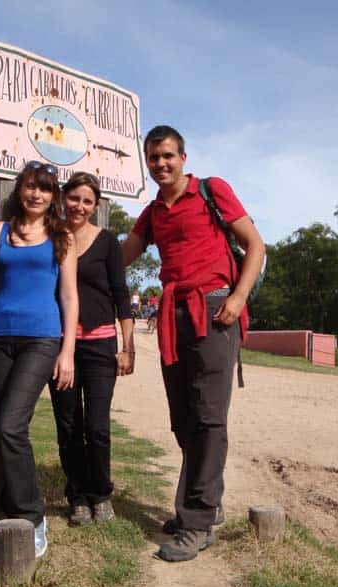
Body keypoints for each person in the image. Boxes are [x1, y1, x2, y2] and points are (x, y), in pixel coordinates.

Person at [122, 125, 265, 562]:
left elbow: (254, 245)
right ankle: (207, 501)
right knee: (184, 419)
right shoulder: (152, 213)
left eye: (167, 156)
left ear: (183, 157)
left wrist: (239, 298)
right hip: (173, 315)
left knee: (208, 417)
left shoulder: (210, 190)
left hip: (215, 308)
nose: (160, 164)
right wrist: (65, 253)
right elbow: (118, 255)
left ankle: (198, 521)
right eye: (153, 158)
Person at [0, 161, 78, 559]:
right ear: (19, 191)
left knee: (11, 425)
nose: (35, 195)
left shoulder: (63, 237)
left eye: (43, 189)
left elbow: (70, 297)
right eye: (29, 187)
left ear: (52, 195)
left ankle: (33, 517)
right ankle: (10, 511)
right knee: (4, 426)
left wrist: (68, 351)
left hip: (42, 337)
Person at [48, 173, 135, 527]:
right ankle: (78, 497)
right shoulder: (51, 239)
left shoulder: (108, 242)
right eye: (74, 198)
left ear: (96, 206)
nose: (79, 206)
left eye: (87, 201)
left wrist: (128, 346)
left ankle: (101, 494)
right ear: (63, 198)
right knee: (69, 424)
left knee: (97, 426)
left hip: (100, 345)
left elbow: (120, 294)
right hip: (60, 347)